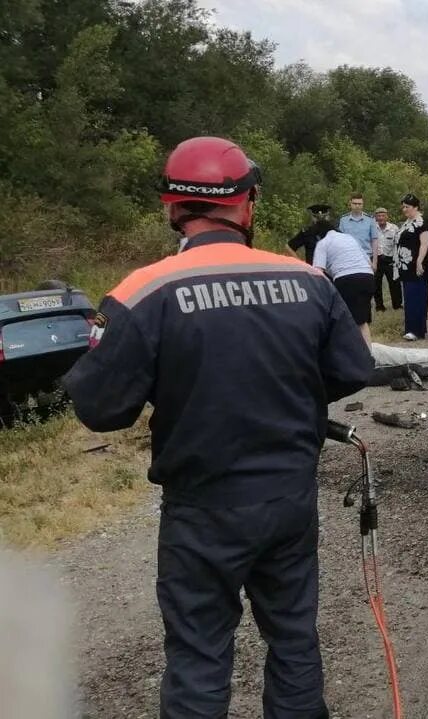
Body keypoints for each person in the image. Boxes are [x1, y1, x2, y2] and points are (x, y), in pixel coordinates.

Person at [61, 136, 372, 718]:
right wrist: (288, 401)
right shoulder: (306, 279)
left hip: (201, 508)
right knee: (294, 639)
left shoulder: (144, 290)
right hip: (287, 500)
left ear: (171, 207)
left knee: (200, 654)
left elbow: (101, 409)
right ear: (248, 202)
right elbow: (354, 368)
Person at [313, 221, 376, 344]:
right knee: (362, 321)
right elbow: (369, 263)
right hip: (368, 277)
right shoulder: (349, 238)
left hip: (346, 279)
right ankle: (368, 355)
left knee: (346, 320)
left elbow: (317, 272)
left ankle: (352, 355)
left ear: (318, 235)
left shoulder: (323, 243)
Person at [396, 194, 428, 341]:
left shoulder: (422, 222)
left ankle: (417, 329)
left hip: (418, 264)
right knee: (409, 297)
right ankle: (411, 328)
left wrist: (419, 261)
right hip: (405, 265)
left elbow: (424, 243)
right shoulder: (407, 222)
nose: (405, 209)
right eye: (403, 207)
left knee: (418, 295)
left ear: (415, 207)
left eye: (407, 207)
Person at [338, 193, 379, 269]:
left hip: (366, 258)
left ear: (363, 204)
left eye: (359, 204)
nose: (357, 206)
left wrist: (375, 263)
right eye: (355, 203)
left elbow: (375, 241)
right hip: (348, 258)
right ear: (350, 204)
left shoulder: (370, 219)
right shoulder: (343, 220)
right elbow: (340, 241)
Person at [372, 207, 401, 312]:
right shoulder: (372, 227)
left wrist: (397, 260)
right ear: (375, 217)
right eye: (378, 216)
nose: (381, 218)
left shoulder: (394, 228)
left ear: (387, 216)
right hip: (377, 259)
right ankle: (379, 307)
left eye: (383, 215)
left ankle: (397, 305)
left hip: (390, 259)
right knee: (376, 284)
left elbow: (398, 244)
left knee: (395, 282)